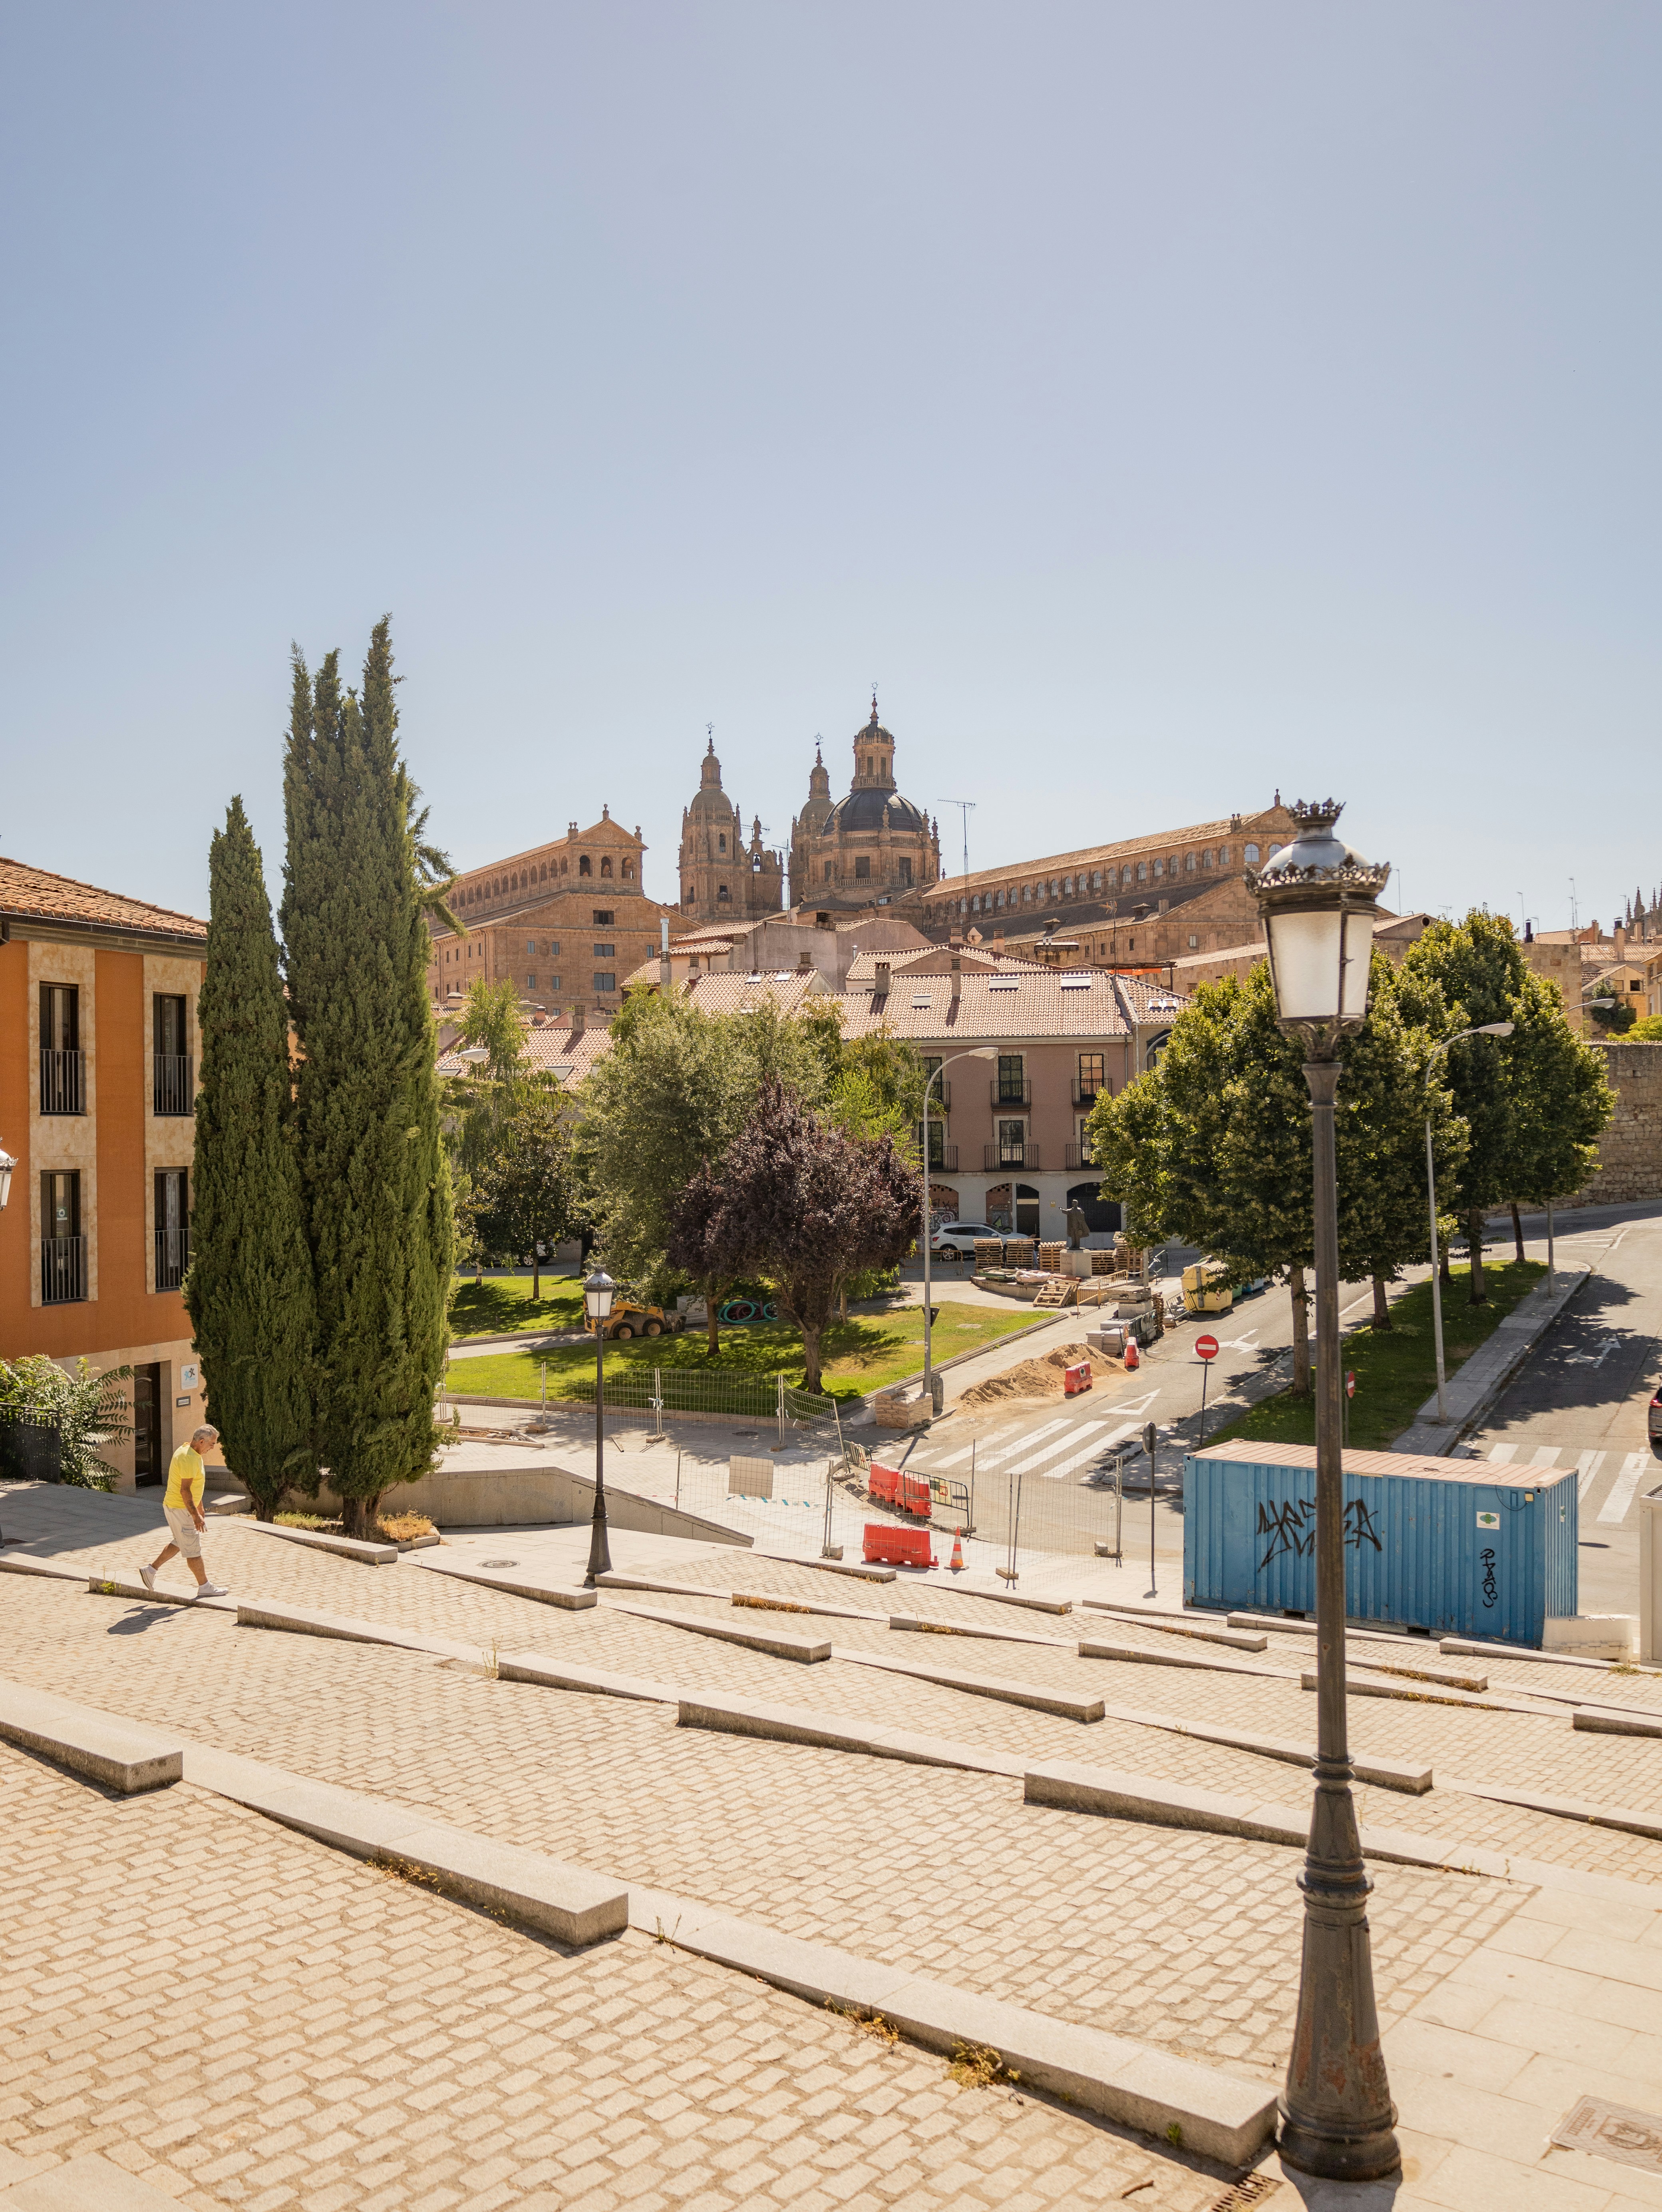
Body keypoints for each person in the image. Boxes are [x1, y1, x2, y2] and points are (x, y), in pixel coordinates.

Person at [139, 1425, 229, 1599]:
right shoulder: (189, 1459)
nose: (213, 1447)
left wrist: (200, 1508)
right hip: (181, 1509)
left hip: (177, 1507)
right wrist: (196, 1516)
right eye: (212, 1444)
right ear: (201, 1441)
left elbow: (195, 1487)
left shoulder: (189, 1450)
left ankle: (150, 1571)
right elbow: (185, 1491)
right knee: (193, 1550)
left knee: (180, 1542)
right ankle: (205, 1586)